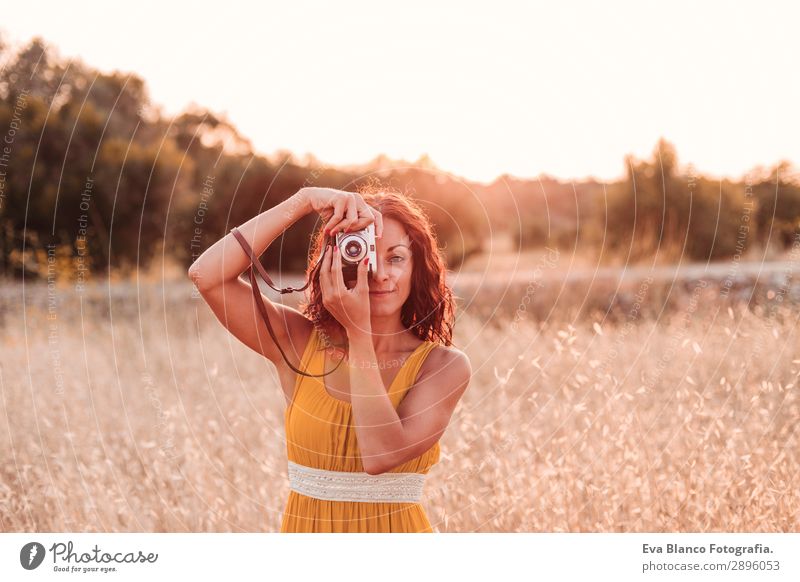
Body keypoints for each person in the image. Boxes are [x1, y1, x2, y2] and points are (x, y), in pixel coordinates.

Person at [188, 186, 472, 532]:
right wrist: (303, 200)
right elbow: (207, 276)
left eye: (396, 258)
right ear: (336, 260)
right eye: (363, 253)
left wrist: (358, 332)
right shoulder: (299, 341)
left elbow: (380, 455)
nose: (380, 273)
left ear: (418, 268)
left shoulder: (443, 366)